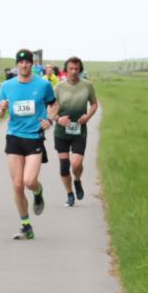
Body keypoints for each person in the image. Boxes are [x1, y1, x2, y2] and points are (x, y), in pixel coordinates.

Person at [0, 49, 56, 240]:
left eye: (27, 62)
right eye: (21, 62)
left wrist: (50, 120)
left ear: (32, 64)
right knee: (18, 185)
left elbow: (53, 104)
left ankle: (38, 191)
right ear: (16, 65)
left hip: (34, 137)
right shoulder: (7, 85)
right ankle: (26, 225)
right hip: (13, 137)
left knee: (29, 181)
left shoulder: (43, 85)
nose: (24, 65)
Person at [52, 56, 99, 206]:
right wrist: (58, 119)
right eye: (70, 68)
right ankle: (69, 194)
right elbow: (50, 109)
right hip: (61, 131)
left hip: (79, 130)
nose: (73, 72)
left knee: (76, 164)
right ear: (66, 70)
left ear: (80, 70)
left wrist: (88, 116)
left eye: (76, 69)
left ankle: (77, 180)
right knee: (64, 166)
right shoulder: (58, 87)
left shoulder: (87, 85)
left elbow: (94, 104)